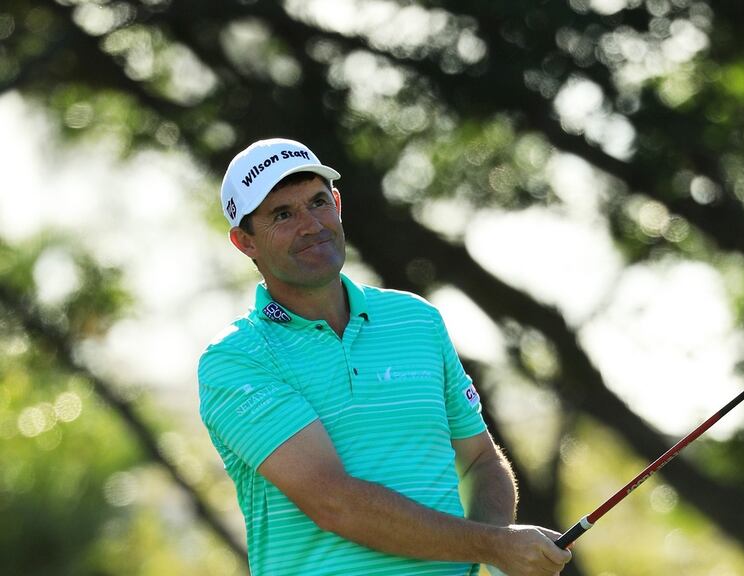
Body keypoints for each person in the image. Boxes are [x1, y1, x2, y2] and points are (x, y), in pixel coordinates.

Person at [197, 138, 572, 576]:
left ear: (337, 204)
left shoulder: (416, 320)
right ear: (245, 242)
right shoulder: (236, 359)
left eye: (318, 202)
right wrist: (494, 544)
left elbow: (481, 461)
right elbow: (333, 502)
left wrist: (499, 551)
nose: (311, 224)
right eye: (283, 214)